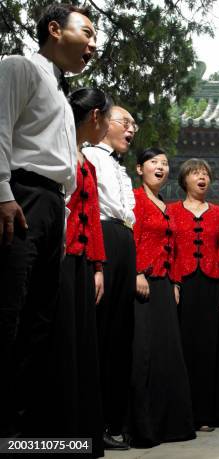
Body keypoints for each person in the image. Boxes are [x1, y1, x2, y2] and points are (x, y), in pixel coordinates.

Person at [0, 3, 96, 436]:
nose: (93, 45)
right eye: (87, 33)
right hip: (19, 196)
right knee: (10, 310)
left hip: (51, 206)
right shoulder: (21, 67)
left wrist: (60, 214)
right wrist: (2, 193)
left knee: (40, 321)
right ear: (54, 30)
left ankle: (20, 431)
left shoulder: (59, 92)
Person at [46, 88, 112, 458]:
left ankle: (81, 435)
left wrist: (98, 265)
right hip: (61, 253)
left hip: (83, 259)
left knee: (82, 346)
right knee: (61, 343)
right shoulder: (56, 145)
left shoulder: (86, 158)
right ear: (97, 117)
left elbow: (94, 215)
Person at [127, 148, 195, 447]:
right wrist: (137, 272)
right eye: (154, 162)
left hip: (166, 284)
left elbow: (175, 248)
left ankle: (171, 425)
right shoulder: (134, 199)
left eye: (165, 163)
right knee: (143, 353)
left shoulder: (165, 205)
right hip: (144, 282)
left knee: (169, 352)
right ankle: (142, 427)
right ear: (139, 168)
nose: (161, 167)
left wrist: (176, 283)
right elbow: (132, 237)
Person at [167, 159, 219, 430]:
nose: (202, 177)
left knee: (209, 349)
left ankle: (206, 414)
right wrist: (172, 283)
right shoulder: (171, 211)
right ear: (184, 179)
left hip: (211, 285)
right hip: (181, 284)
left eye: (206, 173)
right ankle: (183, 412)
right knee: (182, 347)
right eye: (196, 173)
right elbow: (168, 249)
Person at [83, 105, 137, 450]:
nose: (132, 129)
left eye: (134, 124)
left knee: (119, 334)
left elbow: (127, 210)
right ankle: (90, 422)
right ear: (103, 123)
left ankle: (111, 422)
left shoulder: (121, 169)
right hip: (100, 238)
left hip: (122, 238)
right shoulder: (87, 156)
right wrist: (97, 262)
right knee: (98, 332)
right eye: (126, 122)